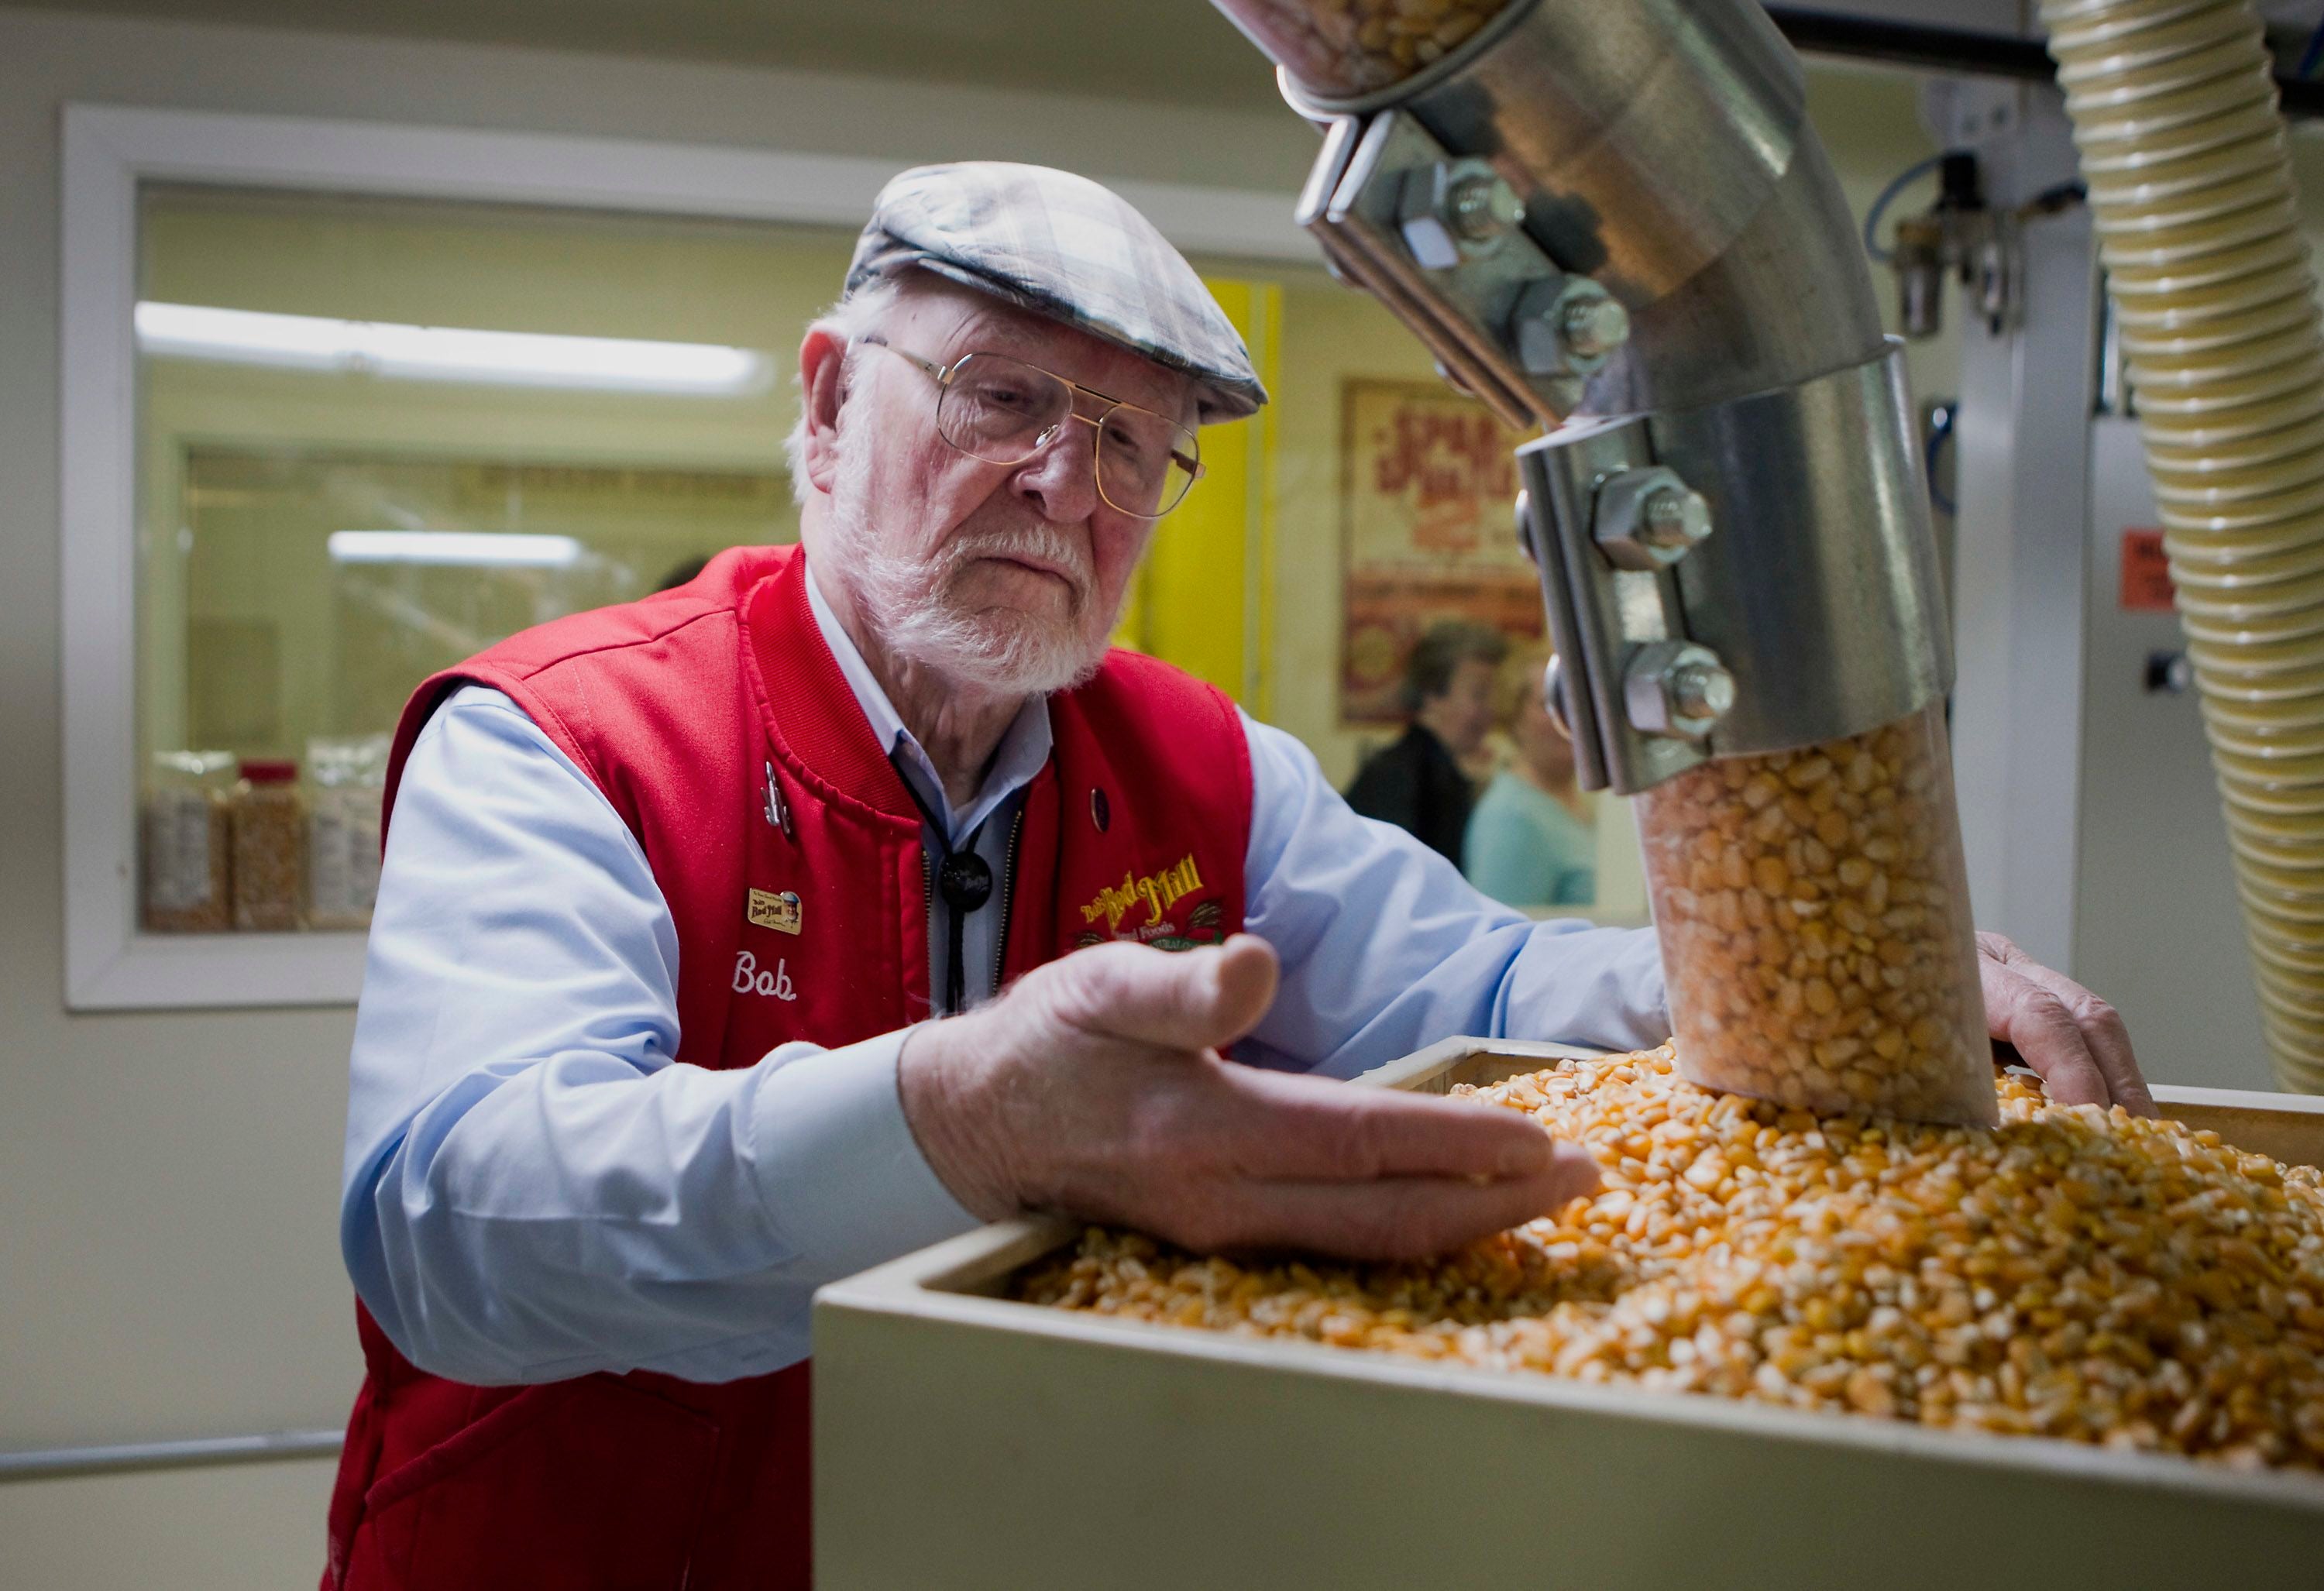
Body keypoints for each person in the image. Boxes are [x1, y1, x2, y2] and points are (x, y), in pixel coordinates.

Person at [324, 162, 2154, 1591]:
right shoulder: (567, 737)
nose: (1065, 481)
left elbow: (1485, 985)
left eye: (1131, 441)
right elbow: (449, 1223)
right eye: (1001, 393)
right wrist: (968, 1120)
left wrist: (1832, 970)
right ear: (823, 401)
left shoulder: (1194, 762)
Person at [1345, 620, 1505, 867]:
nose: (1490, 711)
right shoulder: (1402, 780)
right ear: (1432, 696)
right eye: (1479, 695)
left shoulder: (1430, 773)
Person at [1466, 647, 1595, 907]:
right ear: (1514, 717)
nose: (1568, 718)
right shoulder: (1511, 816)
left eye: (1579, 702)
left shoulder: (1579, 801)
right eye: (1549, 704)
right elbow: (1504, 936)